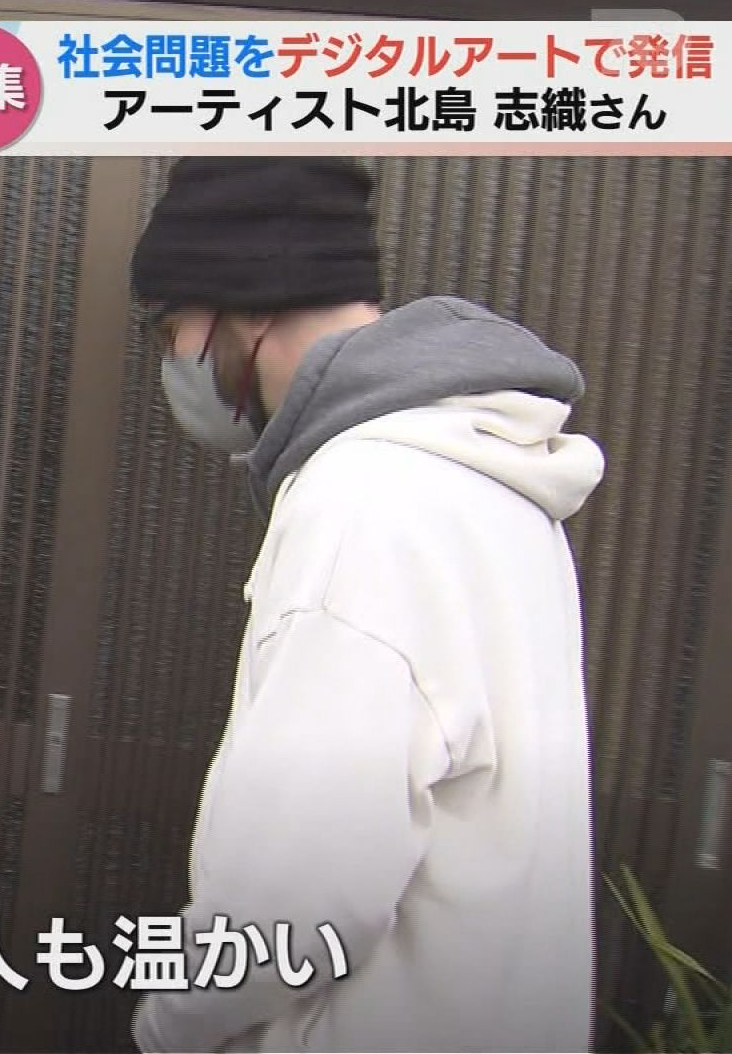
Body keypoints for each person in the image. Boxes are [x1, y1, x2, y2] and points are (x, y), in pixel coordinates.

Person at [125, 157, 604, 1053]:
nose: (174, 358)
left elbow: (296, 904)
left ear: (247, 308)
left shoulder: (365, 505)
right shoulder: (487, 476)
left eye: (171, 327)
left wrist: (167, 1026)